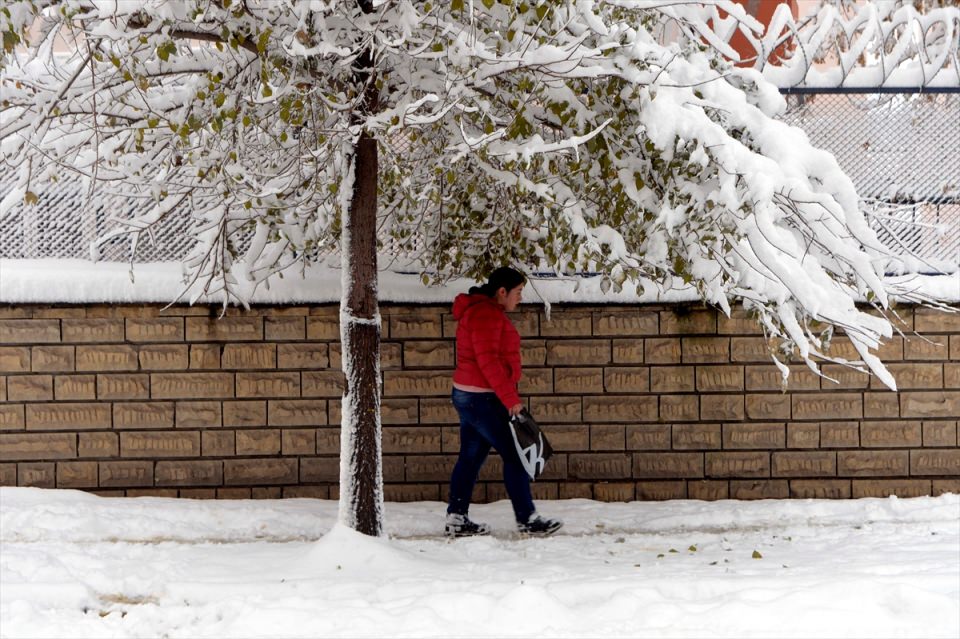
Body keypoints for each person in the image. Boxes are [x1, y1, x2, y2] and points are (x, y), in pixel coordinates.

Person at [445, 266, 563, 538]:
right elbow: (489, 363)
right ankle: (528, 519)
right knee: (517, 455)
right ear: (502, 291)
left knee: (471, 457)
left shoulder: (482, 311)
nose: (520, 297)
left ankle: (457, 517)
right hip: (483, 398)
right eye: (518, 292)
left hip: (469, 395)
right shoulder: (486, 315)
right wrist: (511, 400)